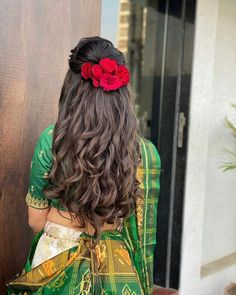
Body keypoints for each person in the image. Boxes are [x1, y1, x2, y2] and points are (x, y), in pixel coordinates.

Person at [6, 36, 161, 295]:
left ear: (72, 89)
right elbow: (142, 229)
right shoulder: (144, 151)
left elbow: (35, 221)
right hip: (115, 263)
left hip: (57, 258)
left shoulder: (52, 140)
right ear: (122, 93)